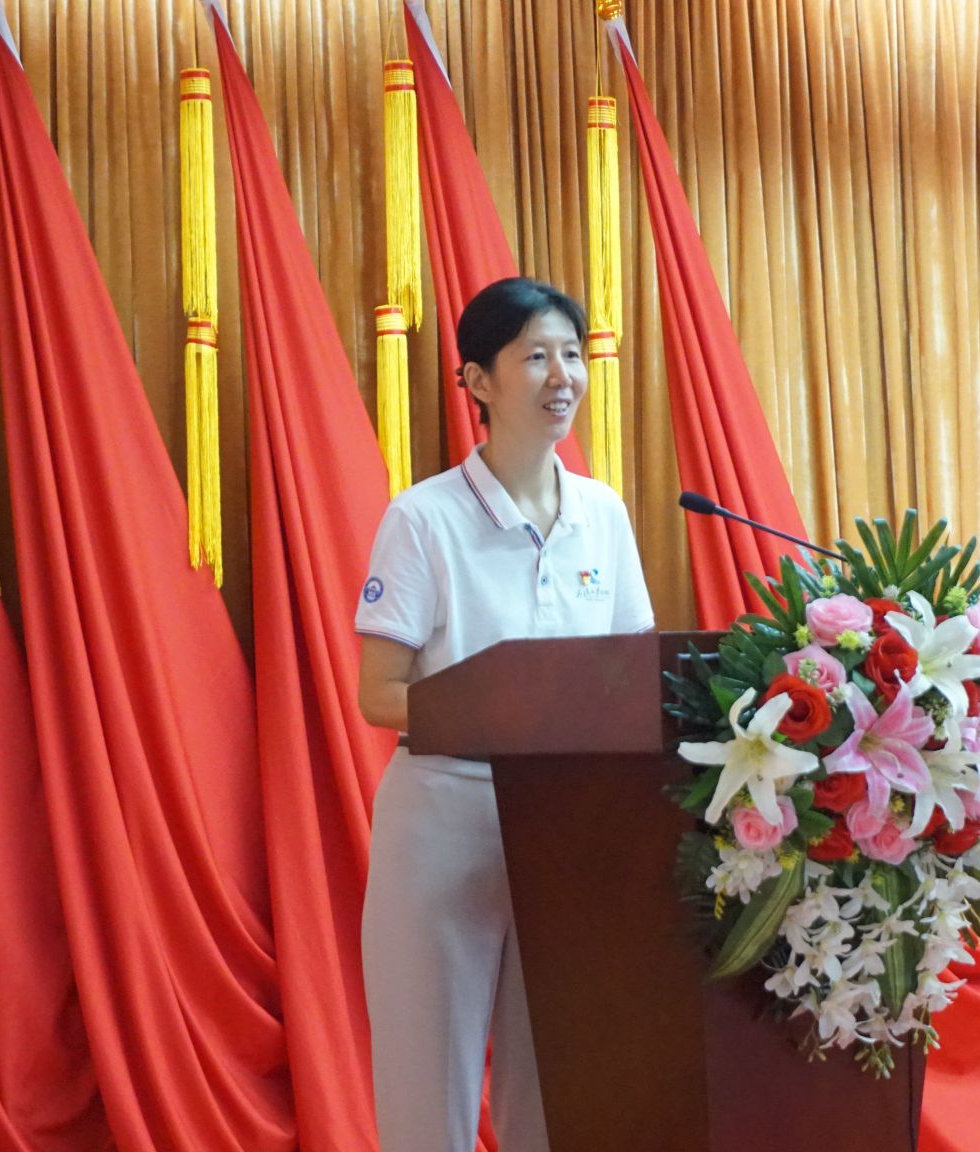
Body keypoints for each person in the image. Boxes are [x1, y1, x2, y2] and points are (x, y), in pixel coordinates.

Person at [355, 277, 656, 1151]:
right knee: (428, 1083)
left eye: (572, 354)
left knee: (556, 1078)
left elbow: (633, 672)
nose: (563, 376)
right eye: (535, 357)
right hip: (446, 815)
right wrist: (505, 712)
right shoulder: (423, 518)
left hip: (567, 823)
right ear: (478, 381)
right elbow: (378, 693)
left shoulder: (602, 513)